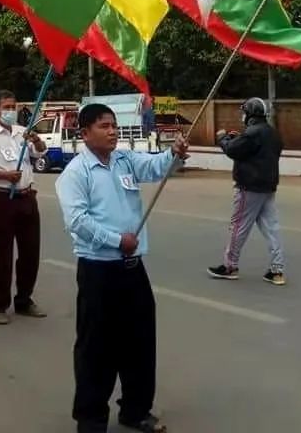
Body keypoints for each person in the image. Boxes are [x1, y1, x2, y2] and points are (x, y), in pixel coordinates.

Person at [55, 103, 189, 433]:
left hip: (132, 269)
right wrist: (116, 240)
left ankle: (135, 409)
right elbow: (77, 221)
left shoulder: (124, 160)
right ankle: (90, 419)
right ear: (84, 133)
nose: (113, 131)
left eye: (114, 125)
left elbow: (157, 168)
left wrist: (174, 153)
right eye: (104, 126)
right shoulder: (75, 173)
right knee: (96, 349)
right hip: (98, 270)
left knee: (140, 342)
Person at [0, 90, 48, 325]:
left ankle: (24, 300)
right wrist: (4, 175)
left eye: (13, 107)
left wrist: (35, 140)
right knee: (3, 254)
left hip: (27, 198)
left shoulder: (22, 133)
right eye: (6, 107)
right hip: (3, 199)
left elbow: (41, 151)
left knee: (30, 253)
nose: (11, 111)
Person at [207, 97, 286, 286]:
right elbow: (252, 150)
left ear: (250, 114)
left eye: (244, 112)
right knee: (272, 229)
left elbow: (233, 150)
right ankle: (277, 270)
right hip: (268, 187)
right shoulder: (272, 133)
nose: (242, 116)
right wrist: (236, 138)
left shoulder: (252, 133)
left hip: (249, 187)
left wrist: (223, 138)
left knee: (238, 227)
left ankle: (229, 266)